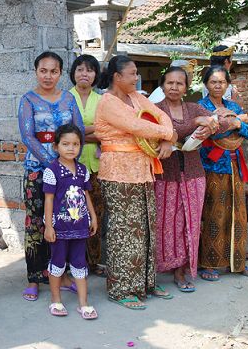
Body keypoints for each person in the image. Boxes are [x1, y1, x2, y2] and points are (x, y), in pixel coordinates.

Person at [94, 55, 177, 310]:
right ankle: (121, 289)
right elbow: (136, 125)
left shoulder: (136, 97)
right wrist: (169, 135)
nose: (136, 77)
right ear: (117, 77)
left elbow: (161, 116)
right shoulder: (108, 102)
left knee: (146, 228)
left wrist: (167, 138)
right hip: (117, 171)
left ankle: (145, 283)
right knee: (123, 231)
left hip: (142, 169)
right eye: (131, 73)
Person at [18, 51, 84, 301]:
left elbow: (78, 132)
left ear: (60, 73)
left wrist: (67, 162)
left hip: (68, 170)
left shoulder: (68, 99)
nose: (48, 76)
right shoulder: (28, 100)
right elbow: (28, 136)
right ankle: (35, 278)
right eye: (43, 70)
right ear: (36, 71)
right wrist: (52, 165)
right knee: (37, 222)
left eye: (53, 71)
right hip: (38, 169)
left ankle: (64, 274)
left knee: (65, 221)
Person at [154, 67, 220, 292]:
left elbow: (217, 124)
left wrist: (209, 123)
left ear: (186, 87)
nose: (174, 87)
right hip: (164, 175)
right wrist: (196, 123)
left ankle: (181, 270)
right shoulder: (155, 111)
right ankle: (166, 264)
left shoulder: (194, 108)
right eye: (170, 83)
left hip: (193, 174)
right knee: (167, 223)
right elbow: (170, 130)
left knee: (189, 223)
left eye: (179, 83)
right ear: (162, 85)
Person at [198, 65, 248, 281]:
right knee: (215, 215)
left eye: (222, 82)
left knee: (239, 214)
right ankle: (210, 264)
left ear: (227, 84)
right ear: (206, 84)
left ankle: (238, 263)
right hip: (212, 167)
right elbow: (209, 132)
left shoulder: (232, 105)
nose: (218, 86)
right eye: (213, 82)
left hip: (236, 166)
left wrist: (236, 122)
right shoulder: (201, 107)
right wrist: (233, 121)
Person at [43, 124, 98, 320]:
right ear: (56, 147)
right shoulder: (52, 170)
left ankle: (84, 303)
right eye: (65, 144)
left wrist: (92, 216)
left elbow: (86, 194)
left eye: (75, 144)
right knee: (57, 263)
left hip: (80, 226)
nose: (71, 148)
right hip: (59, 228)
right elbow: (49, 199)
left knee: (79, 263)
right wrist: (49, 226)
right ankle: (55, 300)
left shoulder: (82, 170)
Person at [68, 54, 106, 277]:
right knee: (72, 213)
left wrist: (80, 132)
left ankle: (92, 261)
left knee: (96, 214)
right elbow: (64, 132)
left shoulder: (102, 100)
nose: (85, 73)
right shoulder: (65, 98)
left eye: (90, 70)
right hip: (72, 166)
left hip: (97, 166)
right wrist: (91, 130)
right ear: (73, 73)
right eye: (80, 69)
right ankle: (73, 261)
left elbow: (106, 130)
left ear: (95, 75)